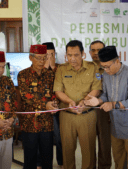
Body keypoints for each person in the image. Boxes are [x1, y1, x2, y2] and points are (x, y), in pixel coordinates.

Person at [85, 46, 128, 169]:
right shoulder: (106, 75)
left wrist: (113, 105)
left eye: (108, 66)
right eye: (103, 67)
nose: (105, 70)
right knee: (118, 158)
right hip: (115, 124)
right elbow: (106, 95)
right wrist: (98, 100)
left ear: (117, 61)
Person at [53, 40, 102, 169]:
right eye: (69, 55)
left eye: (76, 55)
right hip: (67, 115)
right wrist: (69, 101)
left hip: (87, 114)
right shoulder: (61, 69)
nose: (72, 58)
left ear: (83, 54)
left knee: (89, 150)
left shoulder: (93, 67)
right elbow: (58, 90)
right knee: (67, 150)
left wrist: (84, 101)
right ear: (66, 55)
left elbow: (96, 89)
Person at [17, 44, 58, 169]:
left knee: (47, 158)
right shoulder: (23, 75)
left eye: (44, 58)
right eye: (38, 58)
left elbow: (54, 93)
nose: (42, 61)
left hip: (47, 123)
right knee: (30, 159)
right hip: (30, 123)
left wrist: (54, 104)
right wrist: (46, 105)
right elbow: (26, 96)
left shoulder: (50, 75)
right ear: (31, 58)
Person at [35, 42, 63, 169]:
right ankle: (40, 163)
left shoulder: (61, 68)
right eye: (47, 55)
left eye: (52, 54)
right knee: (42, 138)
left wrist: (53, 69)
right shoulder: (37, 70)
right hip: (43, 108)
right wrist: (46, 69)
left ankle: (62, 162)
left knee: (59, 137)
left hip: (59, 108)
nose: (50, 57)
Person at [89, 40, 112, 169]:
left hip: (105, 110)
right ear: (89, 52)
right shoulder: (86, 67)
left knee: (105, 143)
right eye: (93, 50)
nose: (96, 53)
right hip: (89, 110)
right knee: (89, 142)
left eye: (99, 50)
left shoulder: (109, 67)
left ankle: (104, 166)